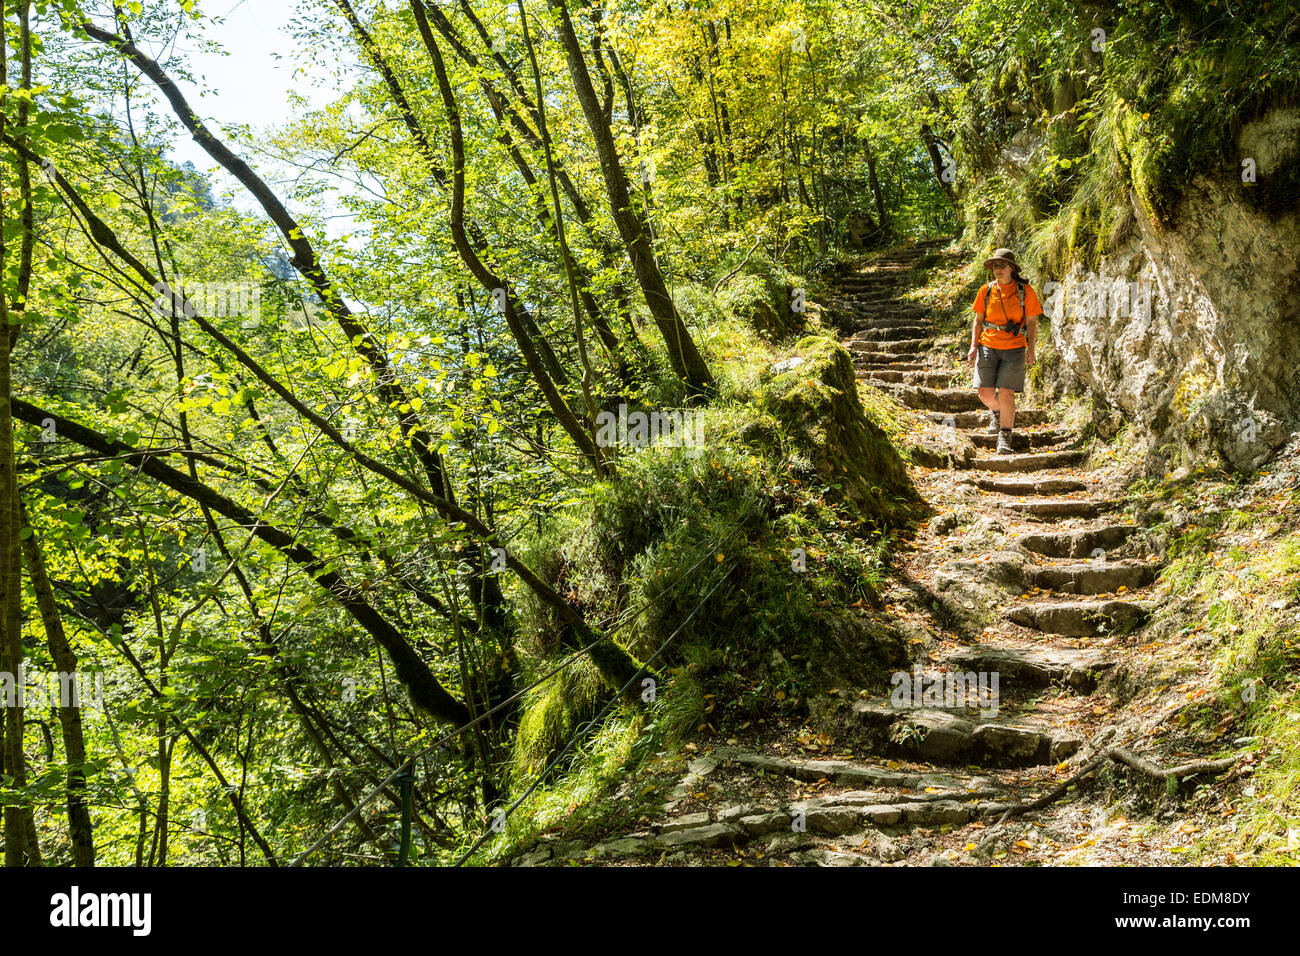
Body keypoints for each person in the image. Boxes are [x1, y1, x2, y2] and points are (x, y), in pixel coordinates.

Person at [967, 248, 1041, 454]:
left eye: (1002, 266)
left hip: (1015, 347)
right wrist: (973, 346)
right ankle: (997, 412)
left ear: (1011, 269)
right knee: (984, 392)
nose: (997, 270)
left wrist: (1031, 349)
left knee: (1007, 393)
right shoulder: (986, 290)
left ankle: (1005, 437)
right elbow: (978, 321)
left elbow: (1032, 323)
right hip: (987, 345)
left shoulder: (1025, 291)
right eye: (995, 266)